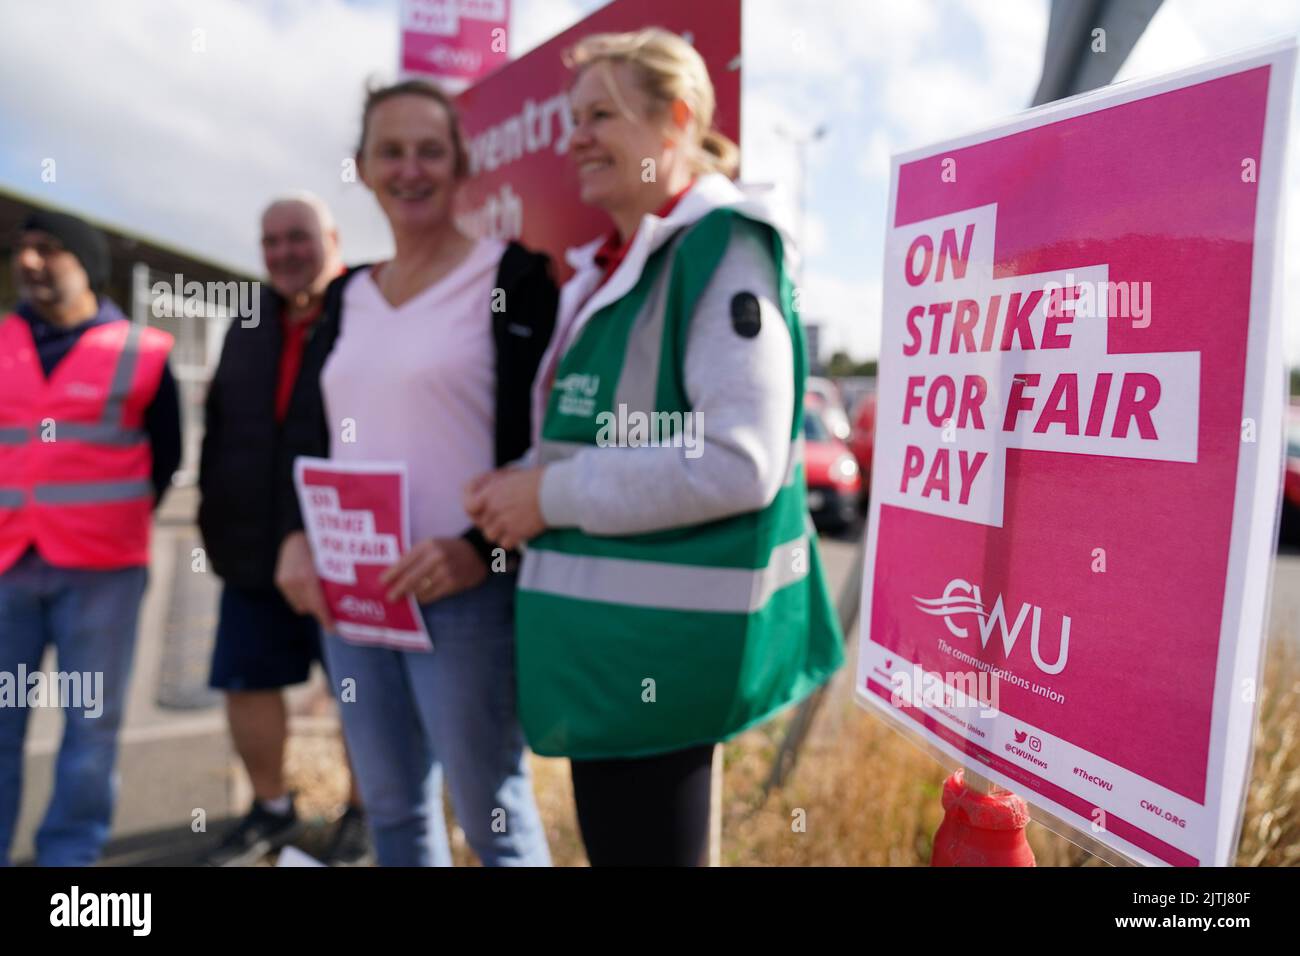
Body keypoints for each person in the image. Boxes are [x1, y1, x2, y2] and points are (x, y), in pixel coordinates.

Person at [466, 28, 845, 867]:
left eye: (600, 114)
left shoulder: (723, 246)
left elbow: (740, 461)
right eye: (571, 119)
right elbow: (598, 433)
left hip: (661, 669)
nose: (576, 138)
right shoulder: (617, 264)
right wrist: (520, 484)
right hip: (610, 659)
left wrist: (545, 499)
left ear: (676, 118)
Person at [274, 80, 556, 867]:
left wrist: (478, 546)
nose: (410, 169)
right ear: (362, 168)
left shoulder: (514, 278)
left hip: (465, 594)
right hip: (353, 596)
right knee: (393, 810)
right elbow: (303, 431)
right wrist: (295, 538)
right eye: (390, 152)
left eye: (430, 150)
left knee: (492, 813)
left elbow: (545, 442)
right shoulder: (346, 296)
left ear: (462, 163)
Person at [0, 210, 181, 866]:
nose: (30, 262)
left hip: (102, 571)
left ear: (87, 264)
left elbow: (166, 458)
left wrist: (101, 518)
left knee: (91, 726)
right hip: (6, 565)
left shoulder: (142, 351)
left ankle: (68, 863)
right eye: (24, 250)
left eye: (48, 250)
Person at [198, 193, 371, 866]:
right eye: (270, 242)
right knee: (246, 681)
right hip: (249, 548)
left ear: (332, 237)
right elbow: (219, 426)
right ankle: (270, 808)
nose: (284, 253)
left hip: (347, 543)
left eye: (299, 237)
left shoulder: (364, 311)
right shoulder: (248, 323)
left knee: (358, 686)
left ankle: (364, 810)